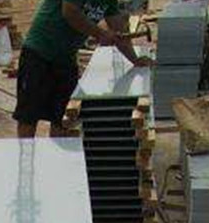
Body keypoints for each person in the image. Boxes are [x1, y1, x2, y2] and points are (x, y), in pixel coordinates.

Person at [14, 0, 152, 138]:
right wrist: (100, 34)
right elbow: (69, 11)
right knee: (29, 115)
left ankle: (56, 150)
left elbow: (119, 30)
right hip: (39, 52)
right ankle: (25, 152)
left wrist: (135, 60)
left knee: (62, 117)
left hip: (66, 58)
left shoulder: (109, 2)